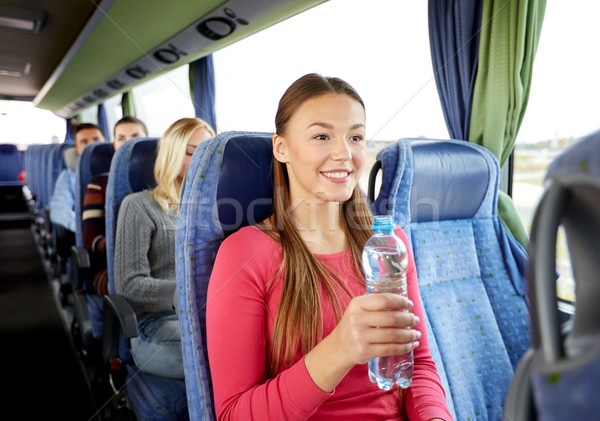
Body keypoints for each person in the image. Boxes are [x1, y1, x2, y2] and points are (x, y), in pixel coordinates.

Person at [206, 74, 452, 420]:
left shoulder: (388, 243)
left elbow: (419, 365)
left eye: (356, 137)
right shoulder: (246, 254)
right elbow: (232, 414)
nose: (344, 153)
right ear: (282, 148)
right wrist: (338, 350)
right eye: (322, 136)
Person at [114, 117, 215, 379]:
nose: (202, 162)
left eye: (208, 153)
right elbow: (130, 285)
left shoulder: (219, 208)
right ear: (172, 155)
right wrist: (188, 294)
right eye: (192, 153)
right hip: (158, 322)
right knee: (219, 358)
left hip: (214, 317)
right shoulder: (139, 206)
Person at [82, 116, 148, 297]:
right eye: (121, 138)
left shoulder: (163, 180)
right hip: (111, 267)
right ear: (114, 145)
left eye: (135, 136)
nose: (128, 143)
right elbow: (90, 238)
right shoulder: (99, 183)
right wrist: (129, 250)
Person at [49, 123, 105, 233]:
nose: (91, 146)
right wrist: (85, 228)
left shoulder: (117, 172)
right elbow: (59, 209)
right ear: (76, 149)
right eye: (84, 142)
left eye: (96, 139)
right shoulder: (67, 176)